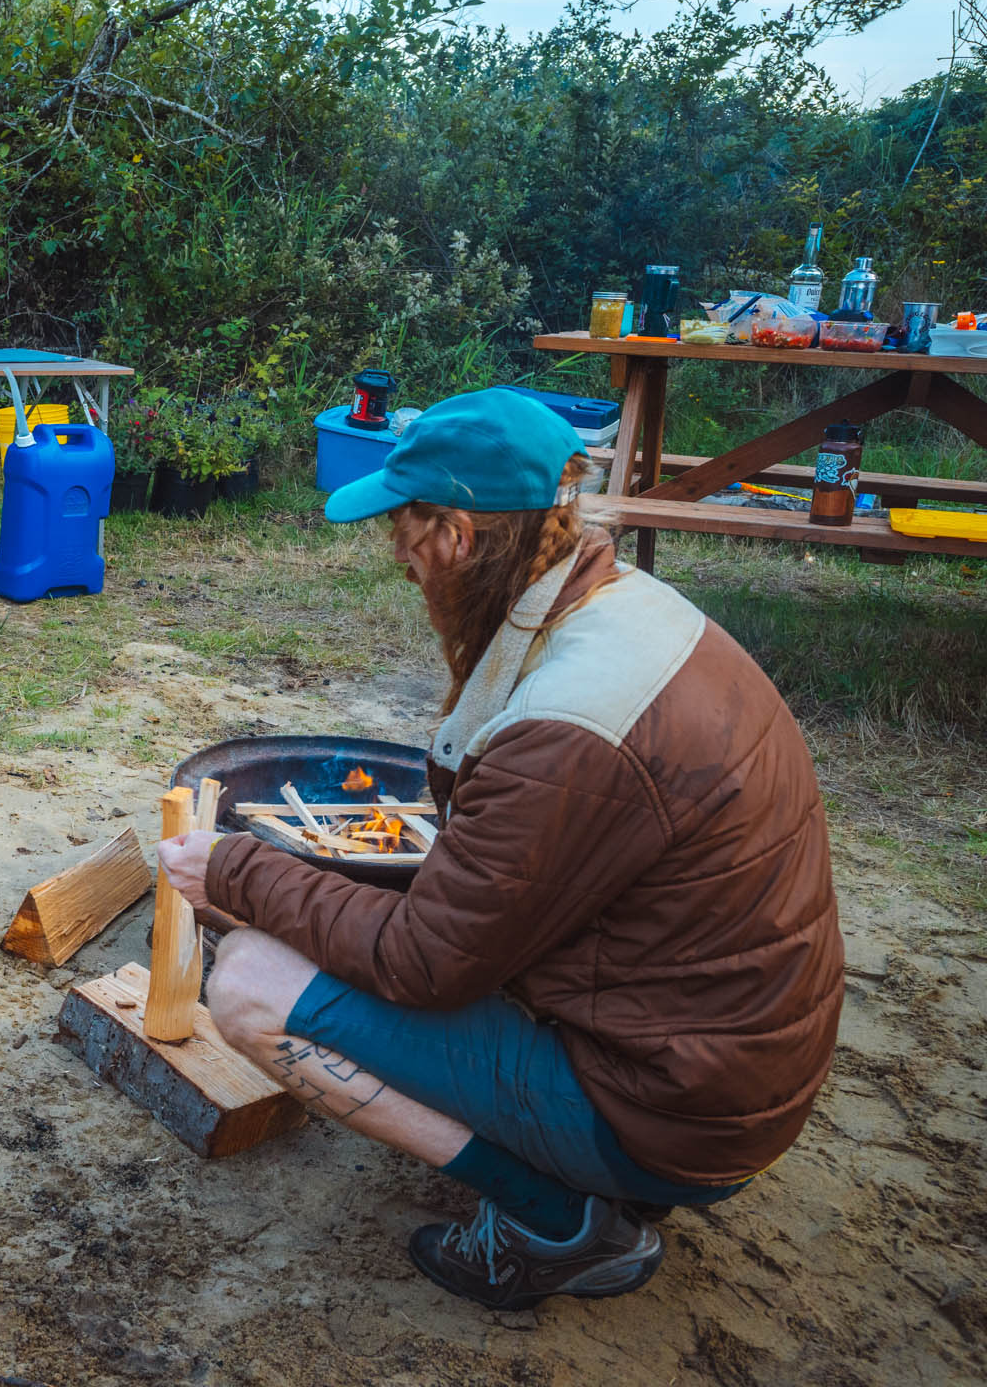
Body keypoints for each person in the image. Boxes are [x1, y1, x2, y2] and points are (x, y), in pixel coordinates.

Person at [158, 388, 843, 1311]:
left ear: (457, 535)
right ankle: (594, 1172)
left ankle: (558, 1221)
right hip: (721, 1063)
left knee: (247, 981)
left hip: (673, 1112)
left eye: (403, 529)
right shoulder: (622, 605)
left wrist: (235, 871)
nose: (398, 556)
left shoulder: (571, 729)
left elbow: (426, 964)